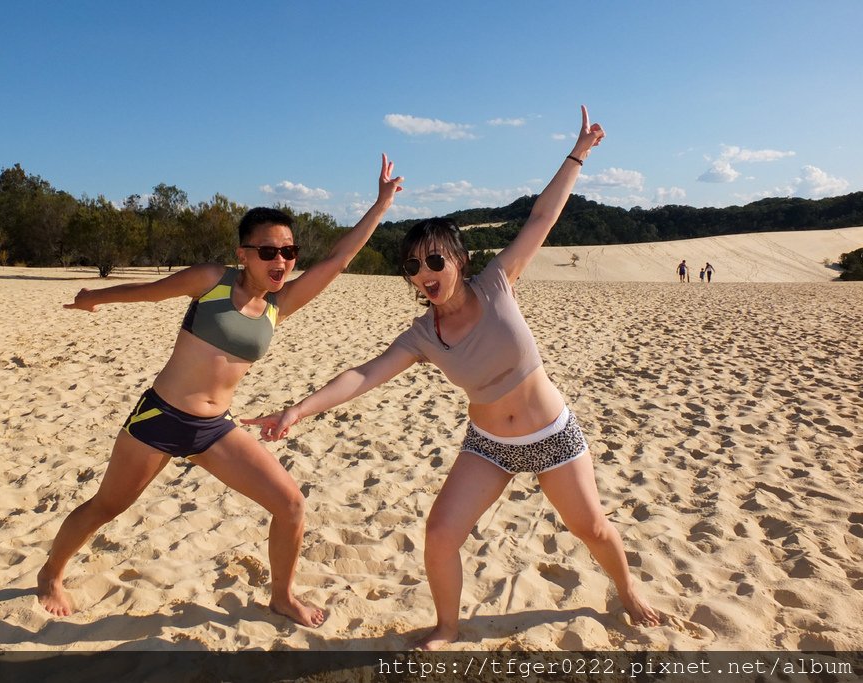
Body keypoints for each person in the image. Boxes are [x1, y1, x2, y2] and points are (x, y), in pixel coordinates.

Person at [246, 106, 659, 649]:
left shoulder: (497, 285)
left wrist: (578, 153)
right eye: (413, 268)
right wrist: (298, 410)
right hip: (488, 445)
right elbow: (365, 374)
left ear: (458, 259)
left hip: (552, 436)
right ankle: (447, 626)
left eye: (434, 262)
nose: (424, 276)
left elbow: (540, 218)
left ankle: (626, 589)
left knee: (593, 530)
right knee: (440, 535)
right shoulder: (424, 334)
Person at [36, 155, 404, 626]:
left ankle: (282, 596)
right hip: (160, 417)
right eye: (268, 251)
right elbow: (152, 291)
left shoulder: (279, 305)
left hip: (214, 429)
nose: (281, 261)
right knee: (107, 506)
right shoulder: (212, 281)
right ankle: (51, 573)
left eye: (289, 253)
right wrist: (94, 298)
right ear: (243, 254)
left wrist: (380, 203)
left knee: (290, 504)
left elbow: (339, 258)